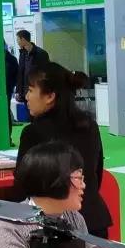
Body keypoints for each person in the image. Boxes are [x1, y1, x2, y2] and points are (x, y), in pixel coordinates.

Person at [16, 62, 112, 238]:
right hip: (94, 220)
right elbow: (95, 174)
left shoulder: (33, 133)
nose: (26, 97)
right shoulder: (89, 126)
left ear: (50, 96)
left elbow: (23, 185)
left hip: (54, 227)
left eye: (30, 90)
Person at [15, 29, 49, 104]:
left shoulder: (41, 54)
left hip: (36, 92)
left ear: (23, 39)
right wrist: (18, 91)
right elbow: (20, 73)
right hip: (24, 93)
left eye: (18, 39)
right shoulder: (22, 54)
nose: (17, 42)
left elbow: (45, 73)